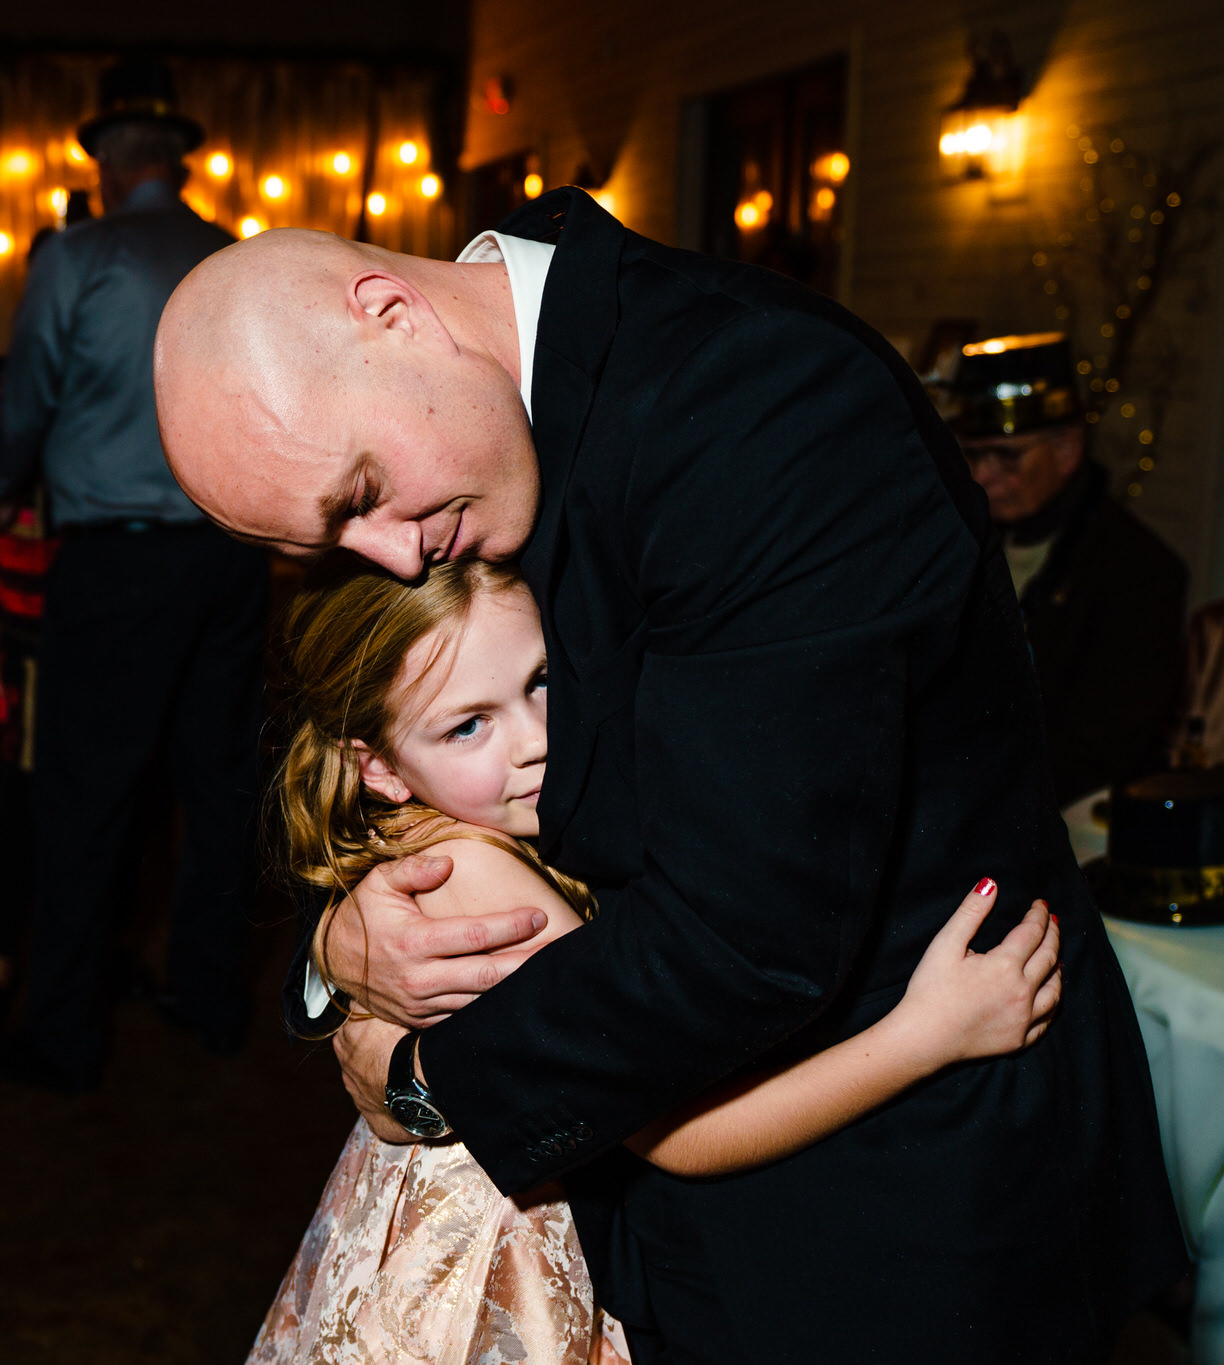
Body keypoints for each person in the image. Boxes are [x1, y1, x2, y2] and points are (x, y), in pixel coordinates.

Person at [152, 189, 1186, 1361]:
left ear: (391, 312)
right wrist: (341, 948)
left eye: (360, 498)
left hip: (893, 1199)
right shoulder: (473, 422)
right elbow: (371, 729)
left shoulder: (759, 403)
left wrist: (423, 1076)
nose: (390, 553)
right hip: (659, 1193)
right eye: (328, 543)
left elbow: (744, 935)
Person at [252, 557, 1063, 1364]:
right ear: (380, 767)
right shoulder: (485, 880)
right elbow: (681, 1135)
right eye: (468, 725)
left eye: (543, 679)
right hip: (482, 1284)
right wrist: (929, 1032)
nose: (539, 741)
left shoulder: (435, 835)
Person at [0, 56, 265, 1092]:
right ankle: (210, 998)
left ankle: (61, 1031)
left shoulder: (78, 255)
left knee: (83, 795)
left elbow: (29, 399)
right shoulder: (232, 259)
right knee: (217, 785)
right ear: (177, 162)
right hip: (229, 558)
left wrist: (1, 482)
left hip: (115, 562)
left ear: (104, 160)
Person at [946, 332, 1188, 806]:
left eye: (1007, 457)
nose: (982, 477)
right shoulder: (958, 541)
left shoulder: (1138, 573)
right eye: (973, 455)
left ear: (1064, 450)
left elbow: (1097, 749)